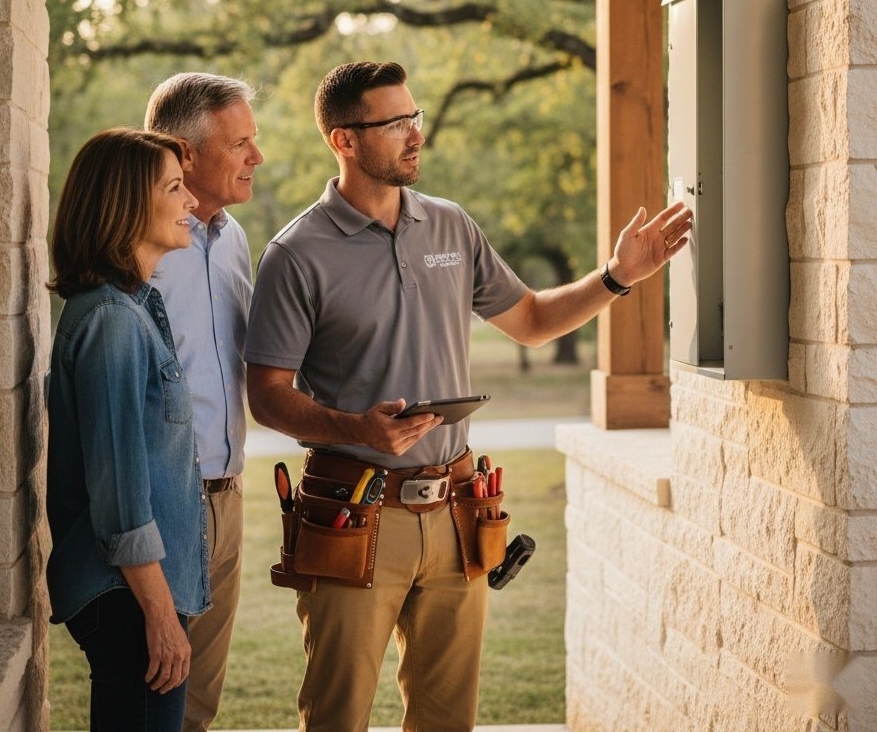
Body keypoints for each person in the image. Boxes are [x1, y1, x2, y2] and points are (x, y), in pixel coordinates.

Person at [243, 61, 693, 732]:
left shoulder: (451, 226)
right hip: (354, 516)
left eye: (414, 117)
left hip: (458, 514)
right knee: (337, 717)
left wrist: (616, 277)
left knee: (448, 720)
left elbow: (534, 320)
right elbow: (267, 395)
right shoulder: (297, 253)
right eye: (394, 124)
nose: (414, 134)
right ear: (344, 140)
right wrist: (356, 428)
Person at [46, 127, 210, 732]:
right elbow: (118, 500)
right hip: (128, 601)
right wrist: (160, 616)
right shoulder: (112, 321)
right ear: (127, 204)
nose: (191, 201)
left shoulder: (137, 306)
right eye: (174, 187)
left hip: (139, 596)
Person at [144, 73, 264, 732]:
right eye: (241, 142)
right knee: (154, 697)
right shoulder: (139, 239)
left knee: (199, 707)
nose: (257, 157)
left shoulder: (235, 242)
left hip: (229, 496)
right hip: (163, 502)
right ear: (185, 153)